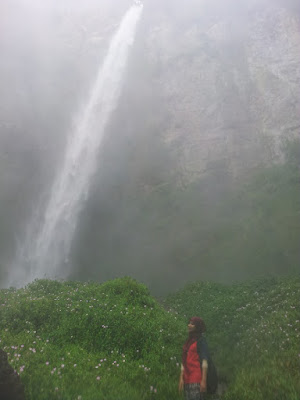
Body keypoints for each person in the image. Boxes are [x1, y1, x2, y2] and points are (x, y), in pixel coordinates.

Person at [179, 317, 208, 400]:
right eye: (189, 323)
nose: (189, 325)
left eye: (192, 324)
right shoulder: (188, 342)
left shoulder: (201, 341)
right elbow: (184, 361)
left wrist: (203, 380)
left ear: (197, 327)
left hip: (196, 379)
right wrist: (181, 378)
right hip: (187, 379)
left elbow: (204, 361)